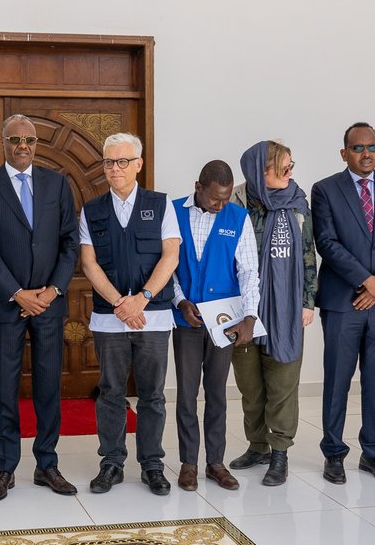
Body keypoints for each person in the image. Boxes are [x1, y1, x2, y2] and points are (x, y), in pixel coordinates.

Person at [0, 115, 79, 501]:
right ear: (3, 142)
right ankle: (5, 468)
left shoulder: (57, 184)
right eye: (15, 138)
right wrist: (17, 292)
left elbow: (69, 242)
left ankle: (47, 463)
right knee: (5, 388)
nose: (22, 145)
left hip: (49, 304)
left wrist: (53, 290)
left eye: (29, 139)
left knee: (49, 385)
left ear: (36, 143)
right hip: (7, 303)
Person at [311, 122, 375, 484]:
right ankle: (334, 454)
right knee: (337, 381)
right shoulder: (325, 189)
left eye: (372, 147)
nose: (366, 153)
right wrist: (365, 280)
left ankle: (374, 454)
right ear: (345, 153)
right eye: (358, 148)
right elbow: (326, 241)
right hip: (344, 301)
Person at [80, 133, 181, 496]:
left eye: (123, 161)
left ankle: (152, 464)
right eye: (109, 161)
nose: (115, 168)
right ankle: (111, 462)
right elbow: (89, 264)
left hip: (152, 317)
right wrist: (121, 304)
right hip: (109, 319)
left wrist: (142, 298)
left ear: (138, 164)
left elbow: (170, 255)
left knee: (152, 394)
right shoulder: (91, 210)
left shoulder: (161, 204)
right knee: (110, 392)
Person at [230, 141, 317, 486]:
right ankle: (257, 445)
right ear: (259, 171)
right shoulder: (235, 201)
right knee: (250, 384)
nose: (291, 173)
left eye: (291, 165)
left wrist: (308, 301)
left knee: (282, 381)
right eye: (283, 168)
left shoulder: (297, 202)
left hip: (286, 306)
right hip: (243, 308)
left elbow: (308, 252)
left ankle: (279, 452)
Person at [170, 160, 259, 492]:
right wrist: (179, 301)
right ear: (198, 186)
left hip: (225, 320)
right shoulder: (172, 212)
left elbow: (249, 270)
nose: (221, 205)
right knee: (186, 394)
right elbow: (167, 267)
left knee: (217, 393)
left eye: (225, 199)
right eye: (214, 200)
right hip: (186, 318)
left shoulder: (238, 217)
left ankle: (215, 463)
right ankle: (189, 463)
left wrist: (249, 316)